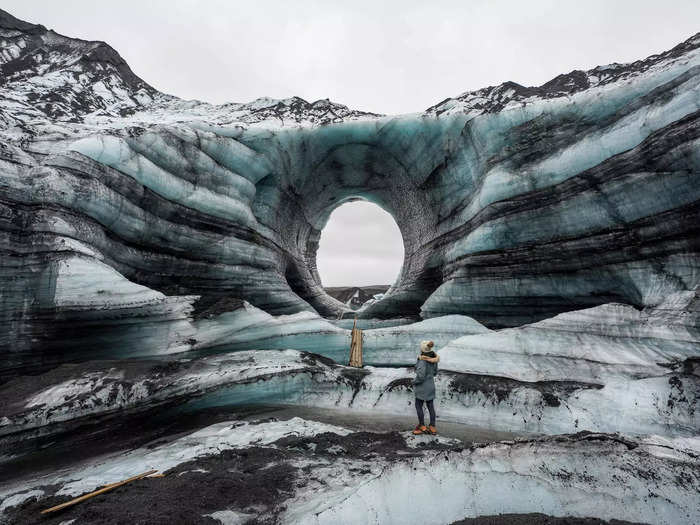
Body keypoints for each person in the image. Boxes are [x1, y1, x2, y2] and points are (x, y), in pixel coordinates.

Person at [412, 340, 439, 435]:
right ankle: (432, 427)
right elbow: (435, 372)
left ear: (422, 349)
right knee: (430, 406)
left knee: (418, 405)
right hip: (431, 385)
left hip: (422, 387)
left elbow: (421, 376)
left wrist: (414, 382)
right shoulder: (434, 359)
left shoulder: (423, 361)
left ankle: (422, 426)